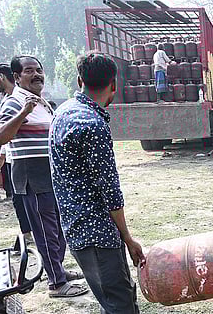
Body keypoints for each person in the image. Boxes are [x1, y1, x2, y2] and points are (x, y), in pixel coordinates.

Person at [49, 52, 145, 313]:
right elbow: (110, 192)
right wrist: (128, 238)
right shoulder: (93, 125)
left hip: (76, 228)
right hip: (98, 235)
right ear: (114, 84)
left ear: (80, 80)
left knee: (111, 296)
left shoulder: (63, 112)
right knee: (120, 303)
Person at [0, 55, 87, 298]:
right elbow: (0, 137)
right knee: (45, 231)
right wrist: (24, 111)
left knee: (57, 228)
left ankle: (57, 271)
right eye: (28, 71)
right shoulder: (15, 102)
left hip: (51, 174)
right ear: (16, 77)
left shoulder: (42, 102)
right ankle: (56, 284)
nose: (36, 74)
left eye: (39, 70)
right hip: (32, 176)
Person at [0, 63, 32, 240]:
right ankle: (28, 232)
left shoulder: (16, 99)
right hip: (12, 157)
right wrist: (1, 159)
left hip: (24, 158)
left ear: (1, 77)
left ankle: (31, 233)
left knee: (24, 197)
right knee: (18, 197)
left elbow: (12, 132)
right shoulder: (8, 101)